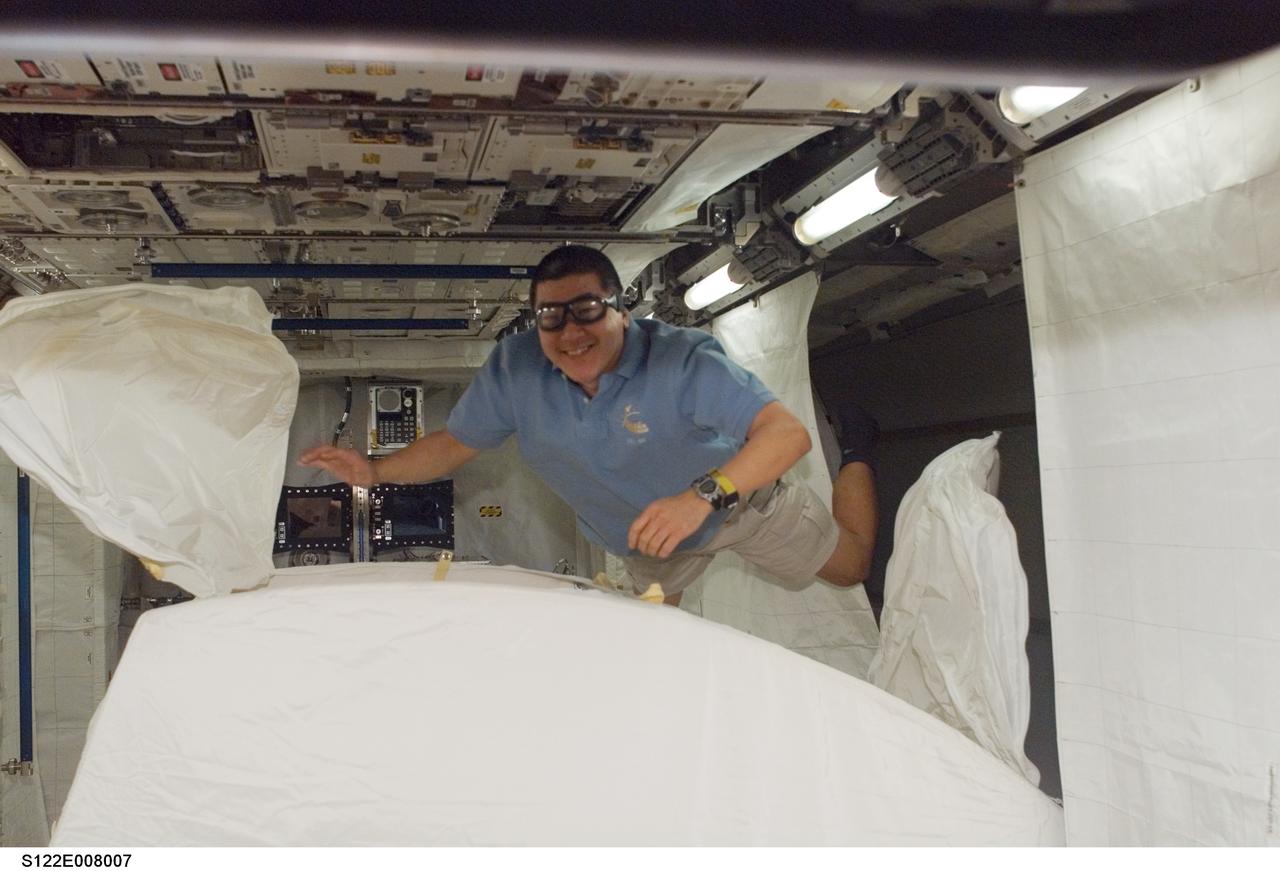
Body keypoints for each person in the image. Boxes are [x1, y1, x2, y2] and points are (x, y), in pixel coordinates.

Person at [300, 245, 877, 604]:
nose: (571, 334)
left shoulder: (680, 359)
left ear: (620, 309)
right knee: (653, 634)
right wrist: (374, 471)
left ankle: (857, 446)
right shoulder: (516, 368)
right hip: (647, 541)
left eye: (587, 312)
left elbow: (785, 434)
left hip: (734, 504)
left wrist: (702, 497)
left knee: (849, 569)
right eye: (552, 318)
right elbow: (454, 443)